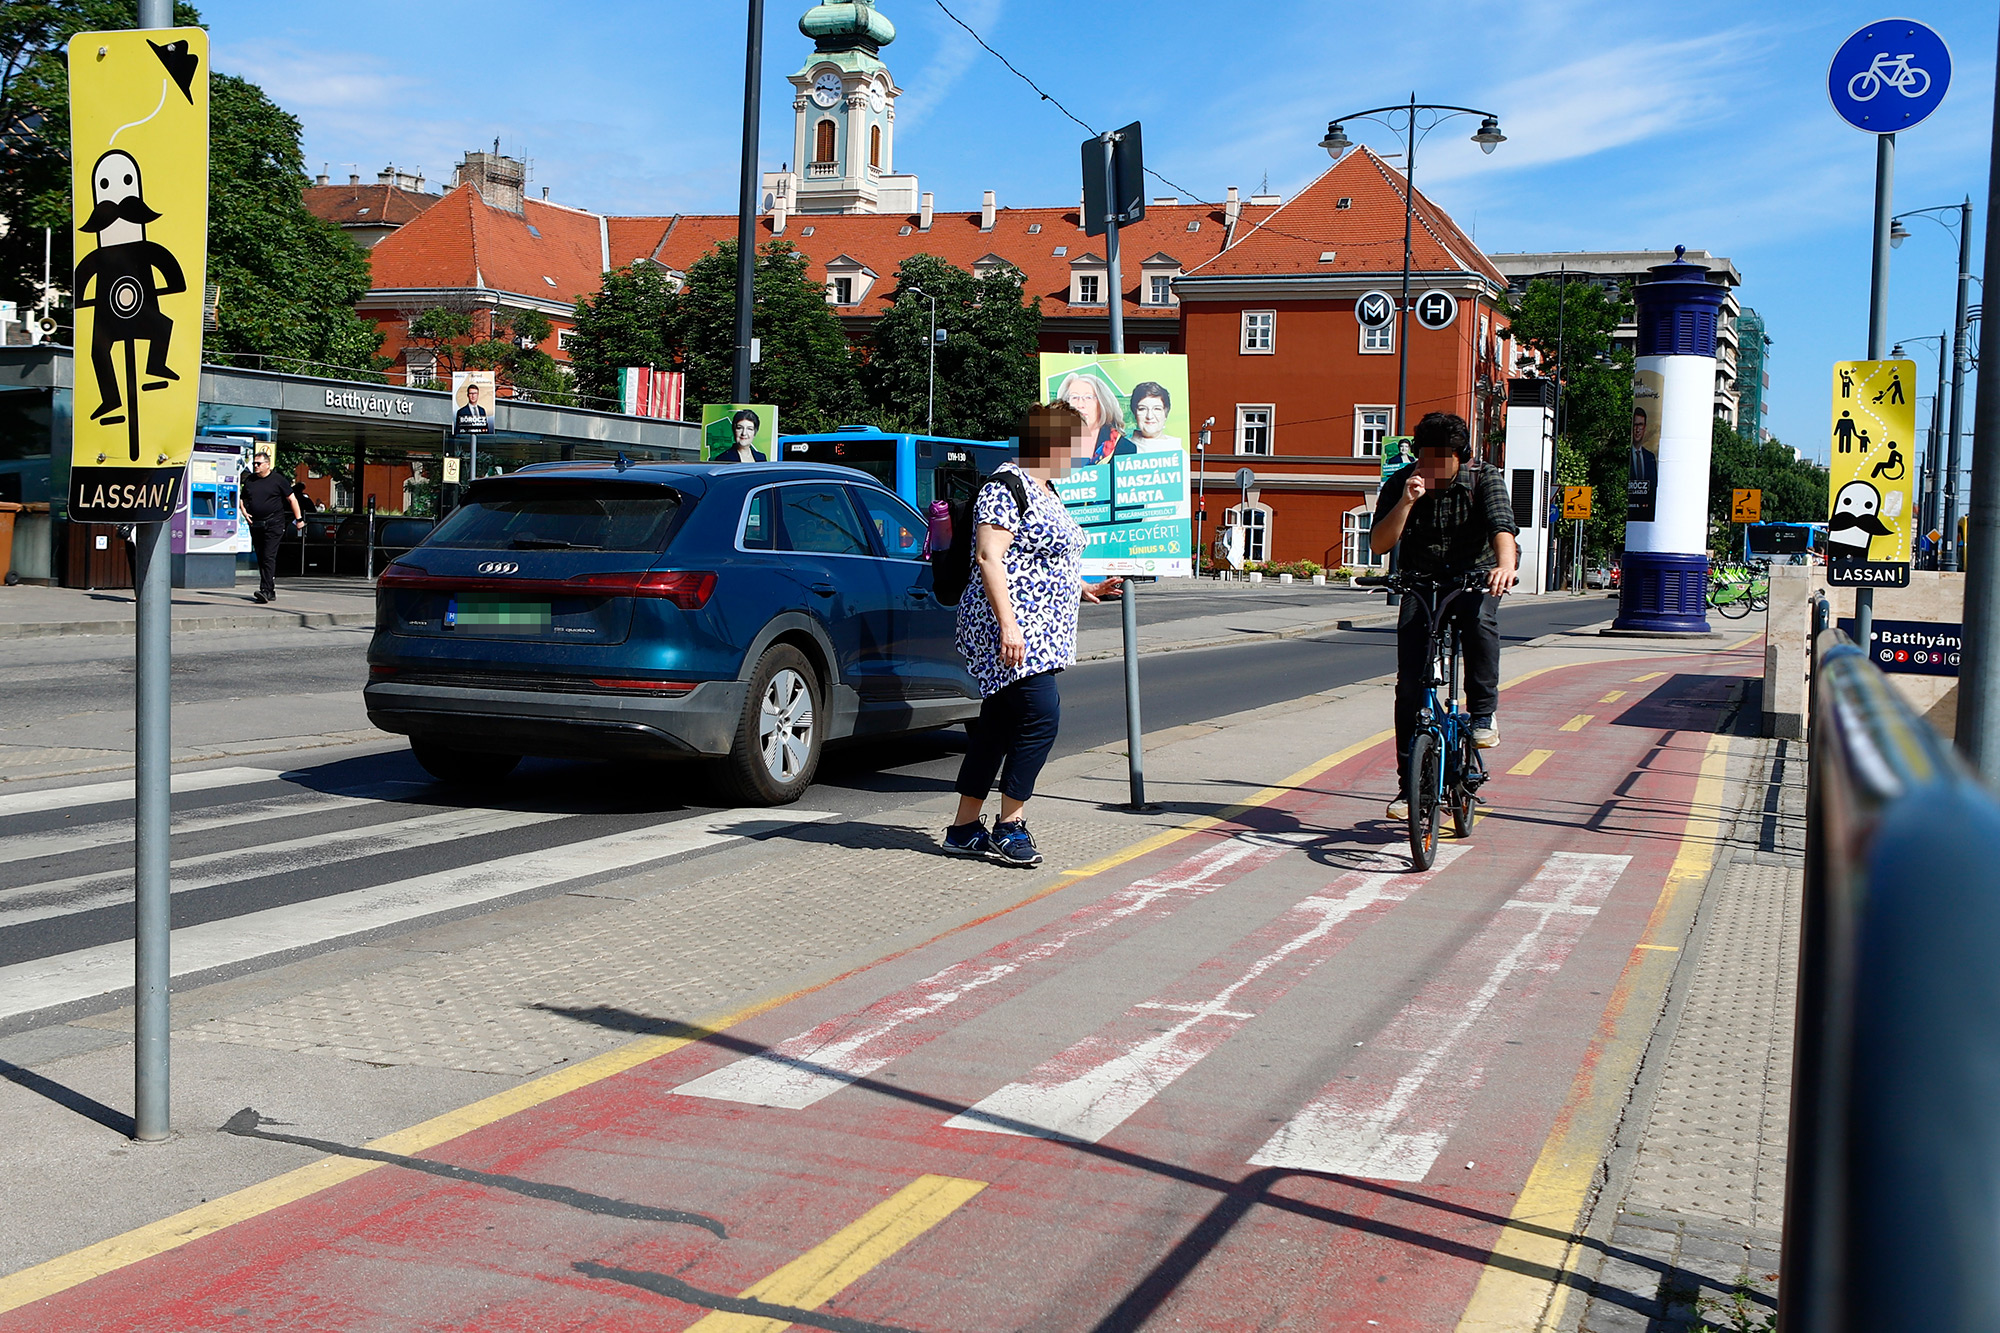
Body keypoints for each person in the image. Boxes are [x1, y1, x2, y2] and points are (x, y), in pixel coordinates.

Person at [944, 401, 1124, 865]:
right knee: (1041, 716)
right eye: (1078, 444)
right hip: (1012, 630)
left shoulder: (1045, 489)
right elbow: (990, 557)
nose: (1083, 453)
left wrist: (1084, 586)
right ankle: (1010, 824)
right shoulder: (1006, 487)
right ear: (1051, 443)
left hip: (1040, 632)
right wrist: (1008, 625)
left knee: (997, 727)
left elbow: (1044, 557)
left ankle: (964, 828)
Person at [1369, 412, 1519, 821]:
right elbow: (1381, 544)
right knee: (1409, 688)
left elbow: (1502, 527)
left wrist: (1504, 567)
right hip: (1422, 582)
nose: (1431, 467)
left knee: (1480, 622)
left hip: (1474, 578)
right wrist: (1406, 501)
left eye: (1441, 459)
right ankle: (1408, 788)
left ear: (1460, 456)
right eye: (1425, 458)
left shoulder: (1483, 478)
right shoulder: (1403, 483)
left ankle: (1483, 713)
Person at [239, 450, 303, 604]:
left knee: (268, 556)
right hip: (256, 524)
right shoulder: (250, 480)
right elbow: (242, 498)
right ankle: (270, 590)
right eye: (254, 463)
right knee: (261, 556)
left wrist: (299, 519)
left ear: (267, 465)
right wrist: (244, 513)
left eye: (258, 463)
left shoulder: (278, 480)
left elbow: (292, 499)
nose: (255, 466)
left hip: (274, 523)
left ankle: (266, 590)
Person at [1055, 372, 1129, 462]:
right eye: (1074, 397)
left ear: (1102, 404)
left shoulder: (1124, 448)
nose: (1080, 404)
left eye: (1088, 397)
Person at [1127, 381, 1181, 454]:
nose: (1149, 416)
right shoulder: (1123, 450)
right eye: (1142, 409)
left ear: (1165, 414)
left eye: (1157, 409)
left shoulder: (1177, 450)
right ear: (1134, 413)